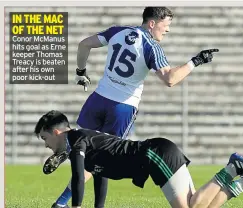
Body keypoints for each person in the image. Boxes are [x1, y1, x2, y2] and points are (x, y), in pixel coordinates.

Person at [54, 7, 220, 207]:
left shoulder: (118, 31)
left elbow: (84, 44)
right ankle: (70, 203)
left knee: (81, 146)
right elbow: (170, 79)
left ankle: (66, 166)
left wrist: (81, 71)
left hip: (97, 99)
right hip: (122, 107)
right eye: (165, 26)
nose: (167, 31)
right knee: (102, 158)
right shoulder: (151, 46)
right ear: (152, 23)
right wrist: (196, 61)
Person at [35, 110, 243, 208]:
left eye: (45, 138)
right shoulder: (81, 144)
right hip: (157, 153)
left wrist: (74, 206)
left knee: (190, 207)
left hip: (155, 154)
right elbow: (100, 175)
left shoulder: (76, 138)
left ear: (57, 132)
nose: (46, 145)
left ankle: (234, 168)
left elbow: (78, 176)